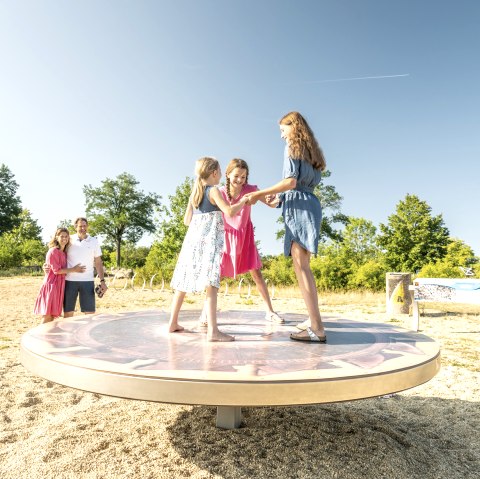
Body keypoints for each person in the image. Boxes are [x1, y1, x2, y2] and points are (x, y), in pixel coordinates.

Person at [245, 111, 327, 343]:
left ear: (294, 127)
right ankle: (313, 320)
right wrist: (280, 200)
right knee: (304, 267)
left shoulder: (292, 146)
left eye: (283, 130)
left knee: (302, 268)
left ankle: (317, 328)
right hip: (309, 204)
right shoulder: (313, 153)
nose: (282, 136)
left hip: (299, 207)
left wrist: (260, 193)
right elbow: (300, 186)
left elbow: (291, 181)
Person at [168, 157, 249, 342]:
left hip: (192, 242)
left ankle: (172, 322)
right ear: (214, 173)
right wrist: (243, 201)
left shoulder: (195, 192)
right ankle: (213, 332)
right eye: (220, 171)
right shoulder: (213, 191)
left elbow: (186, 220)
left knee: (183, 282)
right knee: (211, 284)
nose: (221, 174)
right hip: (209, 242)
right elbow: (229, 212)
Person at [198, 158, 283, 326]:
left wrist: (277, 199)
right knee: (216, 276)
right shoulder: (219, 191)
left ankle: (270, 312)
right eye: (236, 176)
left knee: (257, 273)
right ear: (228, 174)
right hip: (224, 237)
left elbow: (271, 203)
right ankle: (205, 313)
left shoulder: (251, 190)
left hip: (245, 237)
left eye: (243, 177)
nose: (239, 180)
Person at [34, 228, 86, 323]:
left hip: (59, 285)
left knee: (52, 316)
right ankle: (39, 336)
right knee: (47, 315)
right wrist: (74, 269)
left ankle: (47, 337)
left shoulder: (64, 253)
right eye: (62, 236)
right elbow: (56, 271)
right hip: (52, 285)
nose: (64, 238)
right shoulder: (53, 251)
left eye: (66, 236)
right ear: (56, 237)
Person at [63, 217, 108, 317]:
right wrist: (47, 264)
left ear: (87, 226)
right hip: (69, 281)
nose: (83, 228)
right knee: (68, 313)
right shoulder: (69, 240)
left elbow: (98, 262)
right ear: (75, 227)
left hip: (87, 281)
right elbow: (58, 252)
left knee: (90, 314)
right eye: (80, 226)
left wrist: (102, 281)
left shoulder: (94, 241)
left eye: (84, 226)